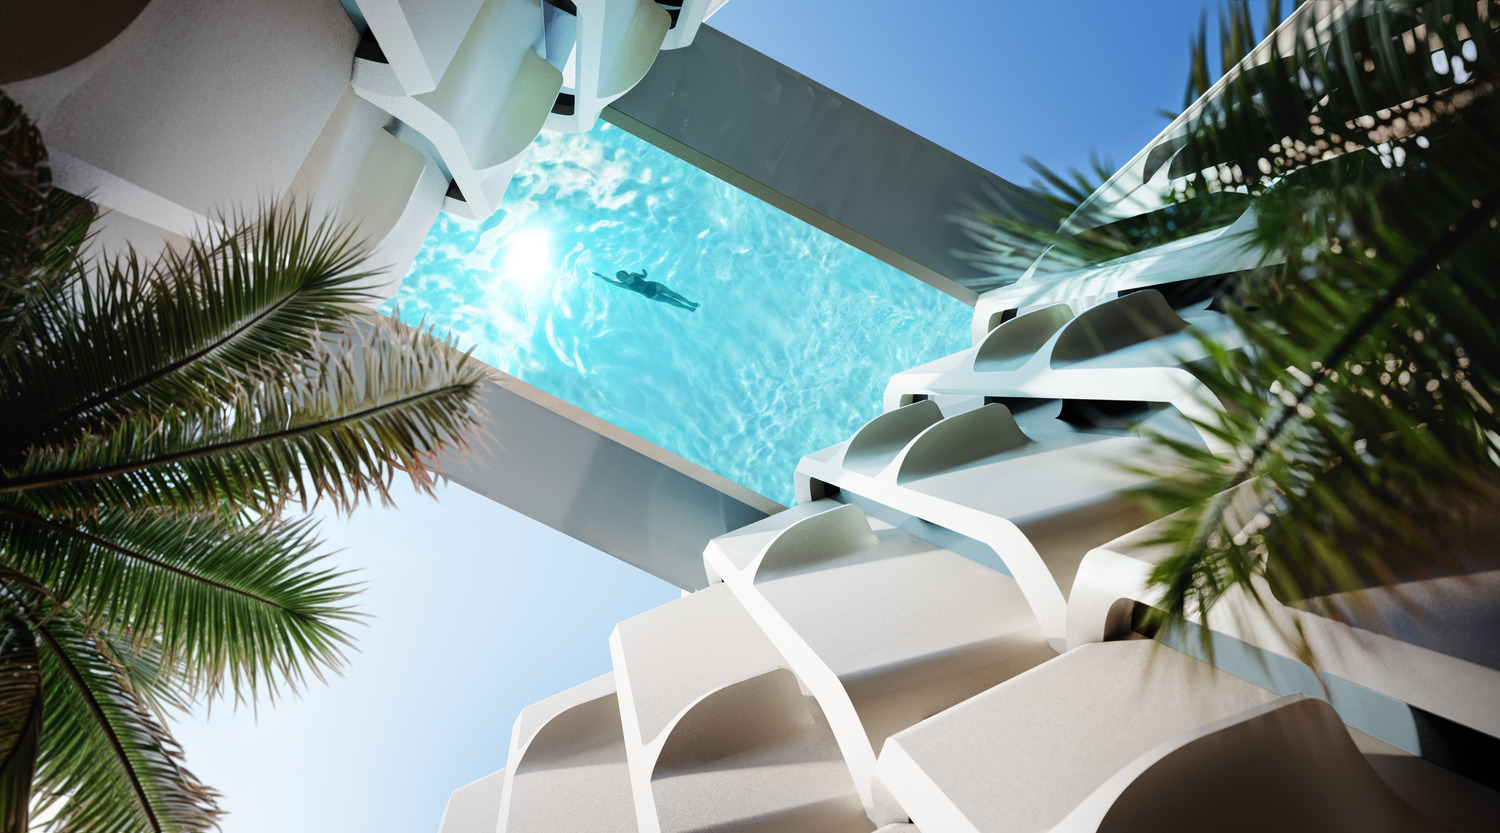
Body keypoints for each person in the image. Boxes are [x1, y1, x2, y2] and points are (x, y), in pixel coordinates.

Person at [592, 269, 699, 312]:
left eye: (620, 274)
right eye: (618, 277)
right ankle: (688, 308)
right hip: (649, 294)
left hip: (654, 285)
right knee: (668, 300)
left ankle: (690, 303)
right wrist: (600, 276)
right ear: (619, 279)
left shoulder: (633, 274)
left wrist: (645, 273)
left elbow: (643, 276)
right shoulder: (624, 285)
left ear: (625, 273)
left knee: (672, 294)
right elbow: (610, 281)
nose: (619, 276)